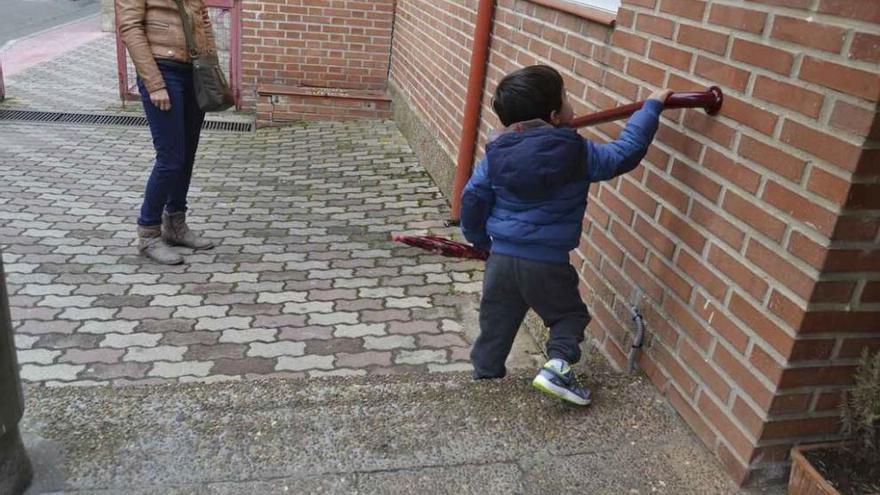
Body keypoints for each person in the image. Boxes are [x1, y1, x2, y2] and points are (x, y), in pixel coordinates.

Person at [460, 65, 671, 406]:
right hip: (547, 262)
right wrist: (651, 107)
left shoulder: (495, 154)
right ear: (556, 115)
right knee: (568, 316)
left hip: (501, 259)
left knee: (496, 321)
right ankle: (557, 367)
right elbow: (624, 153)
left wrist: (480, 240)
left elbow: (473, 198)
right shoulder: (577, 152)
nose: (571, 103)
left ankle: (485, 381)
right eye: (566, 97)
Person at [117, 0, 217, 264]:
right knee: (170, 159)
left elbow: (202, 20)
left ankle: (175, 224)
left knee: (186, 156)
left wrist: (210, 65)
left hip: (193, 71)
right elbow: (130, 28)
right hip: (163, 71)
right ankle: (148, 234)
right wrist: (154, 84)